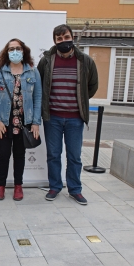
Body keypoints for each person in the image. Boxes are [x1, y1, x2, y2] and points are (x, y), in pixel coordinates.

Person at [37, 24, 98, 205]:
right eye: (59, 39)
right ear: (55, 41)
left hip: (75, 118)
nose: (64, 41)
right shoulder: (46, 61)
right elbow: (40, 86)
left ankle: (75, 190)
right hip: (52, 117)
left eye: (66, 37)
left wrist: (79, 100)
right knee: (54, 154)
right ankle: (55, 186)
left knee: (74, 156)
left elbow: (92, 86)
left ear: (72, 37)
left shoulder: (85, 61)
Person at [0, 38, 42, 201]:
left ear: (23, 50)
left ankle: (18, 186)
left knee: (20, 155)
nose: (15, 51)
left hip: (25, 122)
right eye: (11, 49)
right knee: (3, 155)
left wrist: (35, 122)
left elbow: (38, 97)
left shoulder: (33, 71)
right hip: (4, 122)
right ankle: (1, 186)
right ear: (7, 52)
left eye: (18, 48)